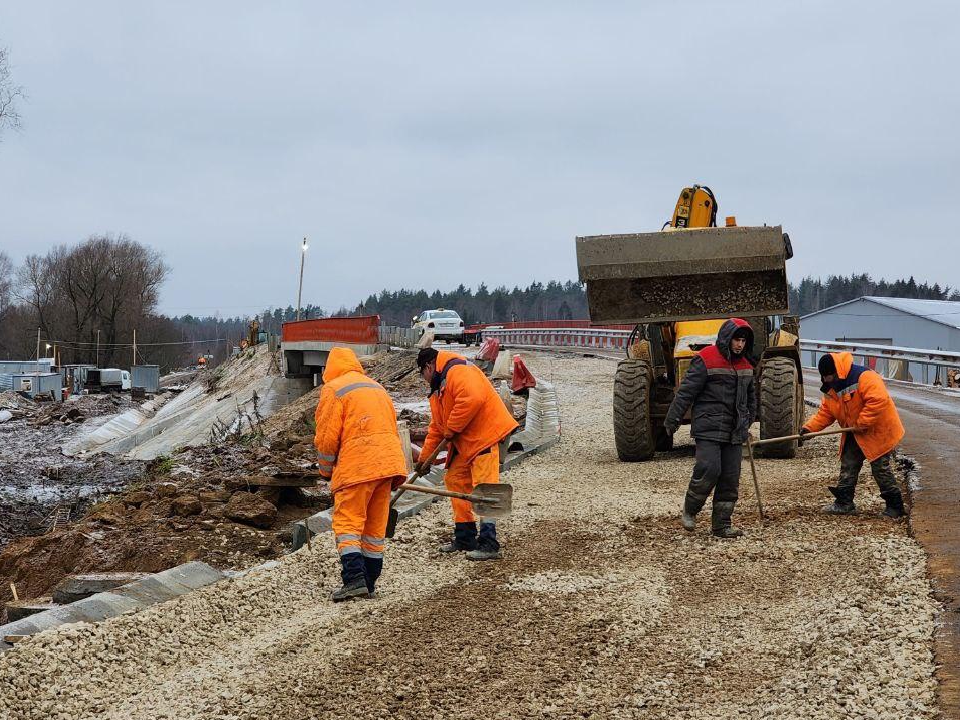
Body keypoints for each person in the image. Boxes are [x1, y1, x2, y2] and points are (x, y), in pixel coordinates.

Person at [314, 347, 409, 601]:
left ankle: (355, 579)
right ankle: (369, 580)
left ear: (330, 368)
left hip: (358, 467)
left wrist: (325, 471)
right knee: (374, 527)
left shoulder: (334, 390)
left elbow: (326, 438)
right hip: (388, 465)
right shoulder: (376, 387)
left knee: (348, 523)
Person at [415, 347, 518, 560]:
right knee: (455, 479)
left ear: (428, 366)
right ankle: (465, 536)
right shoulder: (438, 390)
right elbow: (437, 428)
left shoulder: (458, 370)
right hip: (467, 443)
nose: (423, 379)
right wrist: (424, 459)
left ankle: (489, 543)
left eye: (422, 374)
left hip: (485, 437)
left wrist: (452, 428)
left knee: (485, 487)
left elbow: (473, 398)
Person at [663, 318, 757, 538]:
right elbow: (686, 392)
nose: (740, 345)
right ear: (727, 338)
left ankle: (722, 525)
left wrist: (747, 420)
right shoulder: (705, 359)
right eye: (736, 339)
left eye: (743, 340)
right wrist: (672, 419)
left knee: (730, 479)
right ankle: (691, 509)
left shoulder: (746, 365)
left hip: (735, 430)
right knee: (709, 469)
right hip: (708, 427)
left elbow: (752, 399)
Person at [800, 352, 906, 518]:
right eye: (824, 377)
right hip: (853, 431)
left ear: (837, 372)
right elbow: (826, 413)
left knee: (880, 469)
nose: (826, 380)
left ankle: (895, 507)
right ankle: (844, 502)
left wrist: (862, 423)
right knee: (848, 464)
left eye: (829, 376)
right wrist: (808, 429)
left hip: (877, 431)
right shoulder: (830, 387)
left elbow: (879, 400)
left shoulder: (865, 377)